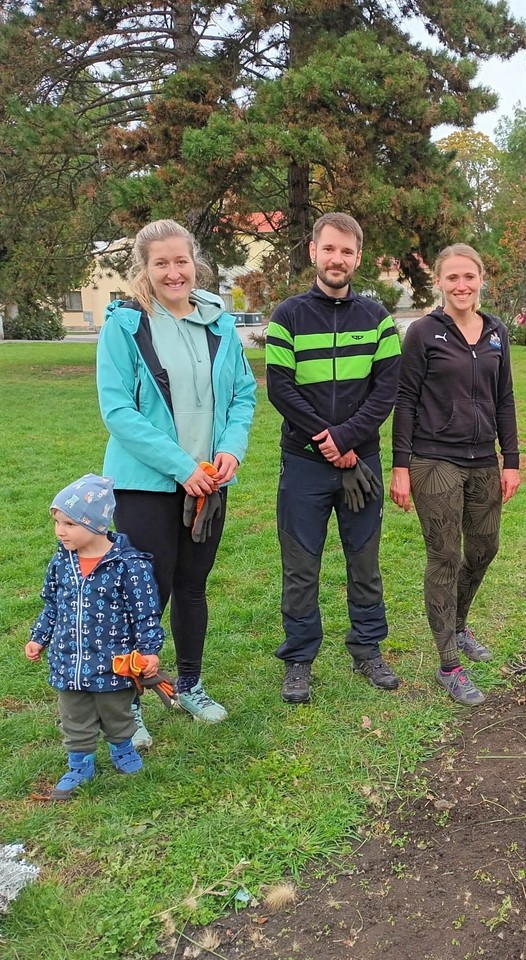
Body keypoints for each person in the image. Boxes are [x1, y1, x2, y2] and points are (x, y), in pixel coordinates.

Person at [97, 220, 257, 746]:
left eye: (180, 261)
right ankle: (128, 704)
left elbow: (242, 395)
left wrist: (230, 448)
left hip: (209, 484)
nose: (173, 272)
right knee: (145, 595)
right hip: (147, 486)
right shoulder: (125, 326)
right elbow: (118, 411)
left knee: (191, 586)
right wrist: (180, 466)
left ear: (195, 263)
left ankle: (190, 685)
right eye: (161, 263)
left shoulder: (219, 323)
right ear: (144, 269)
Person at [266, 212, 402, 705]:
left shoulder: (378, 319)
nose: (336, 259)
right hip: (304, 463)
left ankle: (367, 649)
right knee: (301, 565)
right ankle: (300, 657)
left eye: (346, 251)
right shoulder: (287, 316)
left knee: (364, 562)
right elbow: (280, 389)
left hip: (360, 462)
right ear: (313, 252)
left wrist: (346, 440)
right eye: (329, 249)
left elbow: (386, 391)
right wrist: (326, 441)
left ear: (358, 258)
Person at [390, 244, 521, 707]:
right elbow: (405, 399)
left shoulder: (497, 331)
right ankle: (448, 663)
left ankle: (459, 624)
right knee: (445, 556)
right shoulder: (423, 332)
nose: (461, 286)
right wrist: (400, 466)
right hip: (434, 460)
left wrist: (512, 459)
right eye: (452, 278)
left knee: (485, 548)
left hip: (483, 459)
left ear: (481, 278)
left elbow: (504, 398)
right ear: (439, 283)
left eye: (469, 276)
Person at [26, 475, 165, 800]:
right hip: (68, 663)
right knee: (75, 717)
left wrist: (149, 650)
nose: (60, 531)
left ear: (97, 525)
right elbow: (52, 605)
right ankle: (80, 765)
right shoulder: (62, 562)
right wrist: (39, 638)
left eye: (69, 524)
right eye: (57, 522)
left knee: (117, 712)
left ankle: (123, 749)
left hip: (112, 664)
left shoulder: (129, 566)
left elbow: (145, 612)